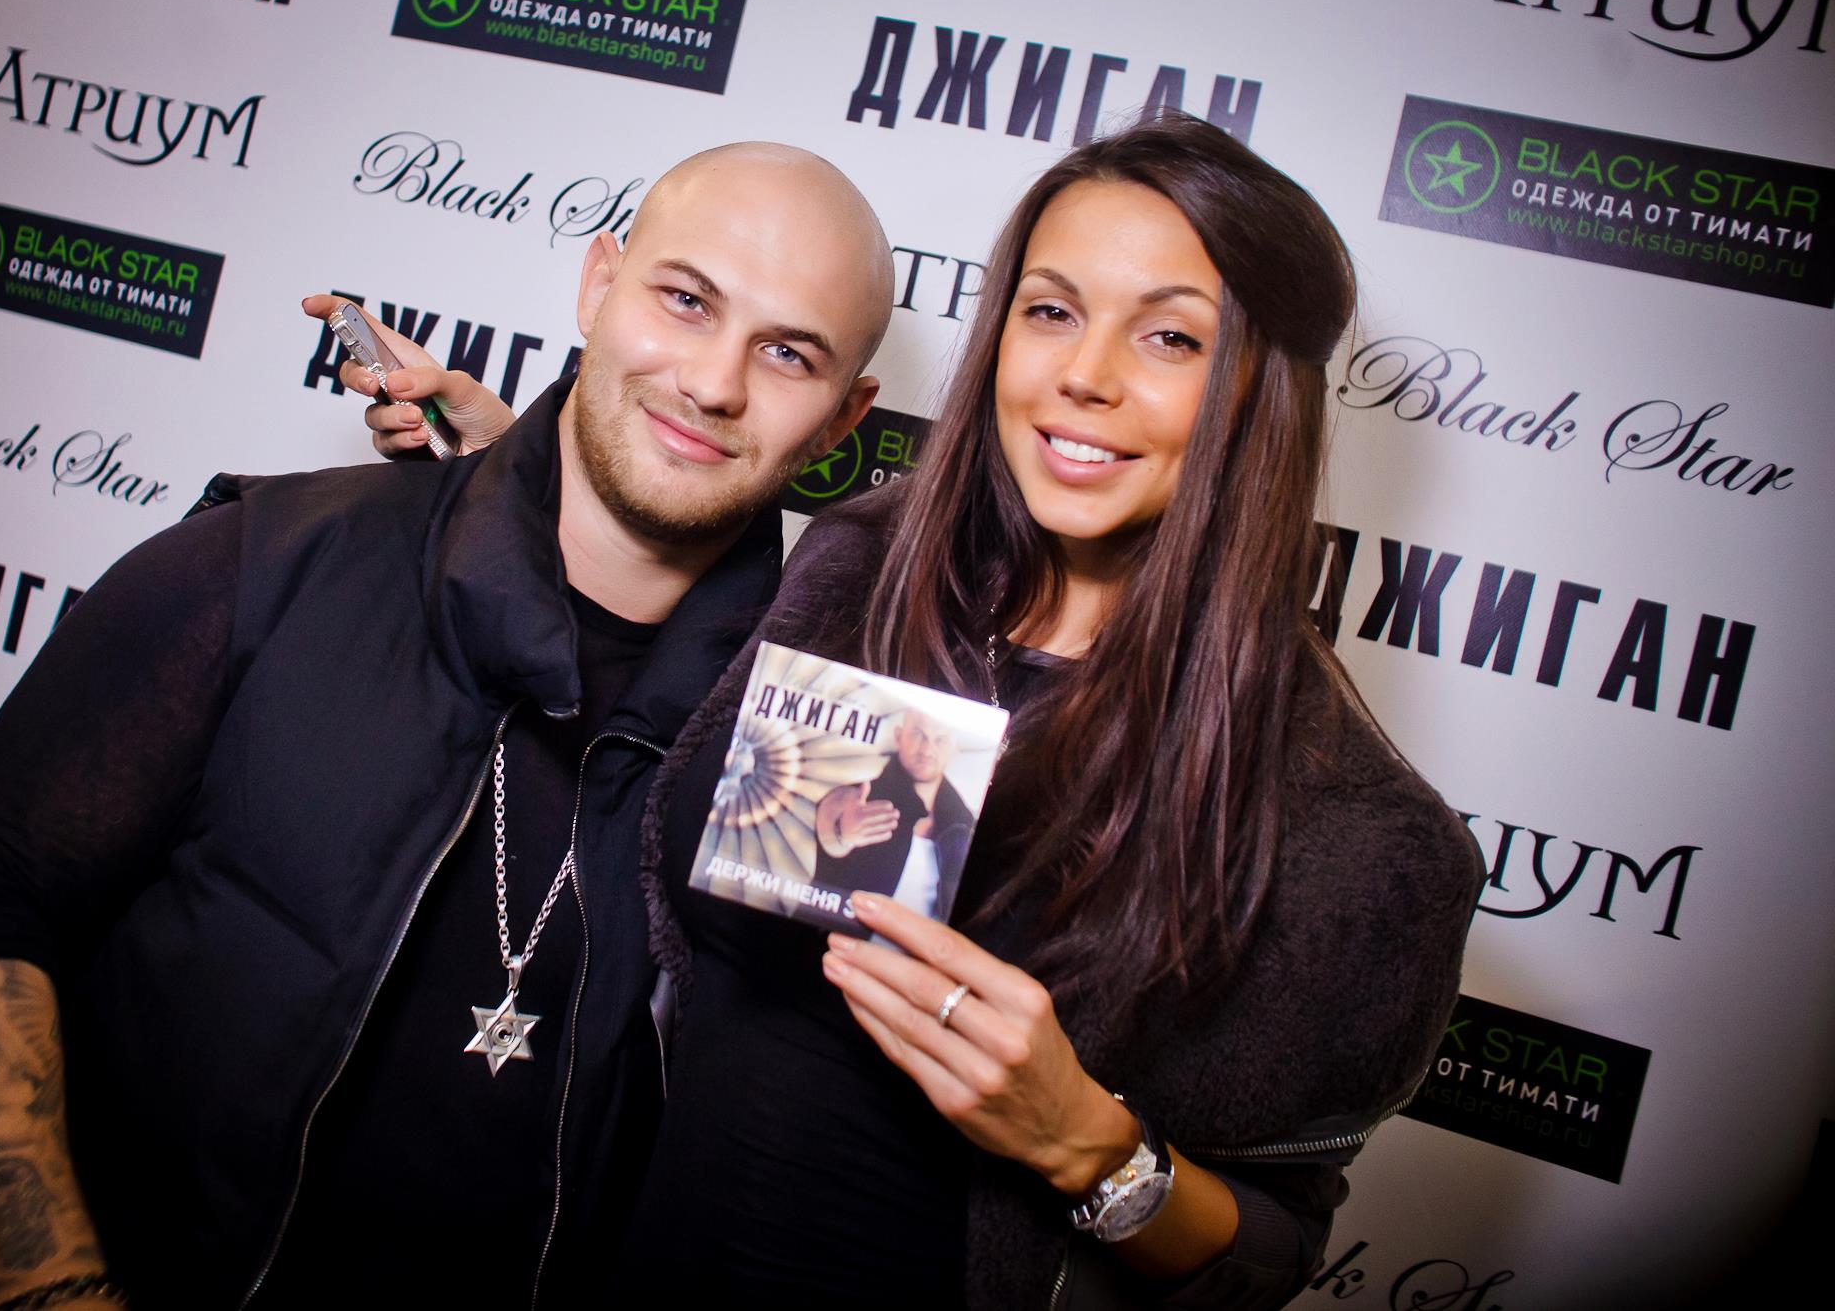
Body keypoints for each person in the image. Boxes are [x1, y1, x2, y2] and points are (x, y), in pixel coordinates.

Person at [394, 114, 1485, 1307]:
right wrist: (519, 475)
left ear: (1259, 389)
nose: (1083, 373)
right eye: (1050, 310)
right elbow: (655, 668)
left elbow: (1269, 1250)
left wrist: (1085, 1143)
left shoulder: (1353, 832)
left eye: (1170, 336)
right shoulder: (861, 571)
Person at [0, 141, 893, 1310]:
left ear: (842, 418)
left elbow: (797, 1152)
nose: (714, 382)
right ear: (598, 284)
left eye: (787, 353)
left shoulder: (822, 754)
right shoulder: (269, 560)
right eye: (685, 300)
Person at [814, 708, 975, 925]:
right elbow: (828, 821)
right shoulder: (862, 793)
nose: (927, 749)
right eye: (918, 734)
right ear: (899, 736)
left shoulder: (964, 824)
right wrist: (841, 832)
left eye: (941, 739)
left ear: (955, 748)